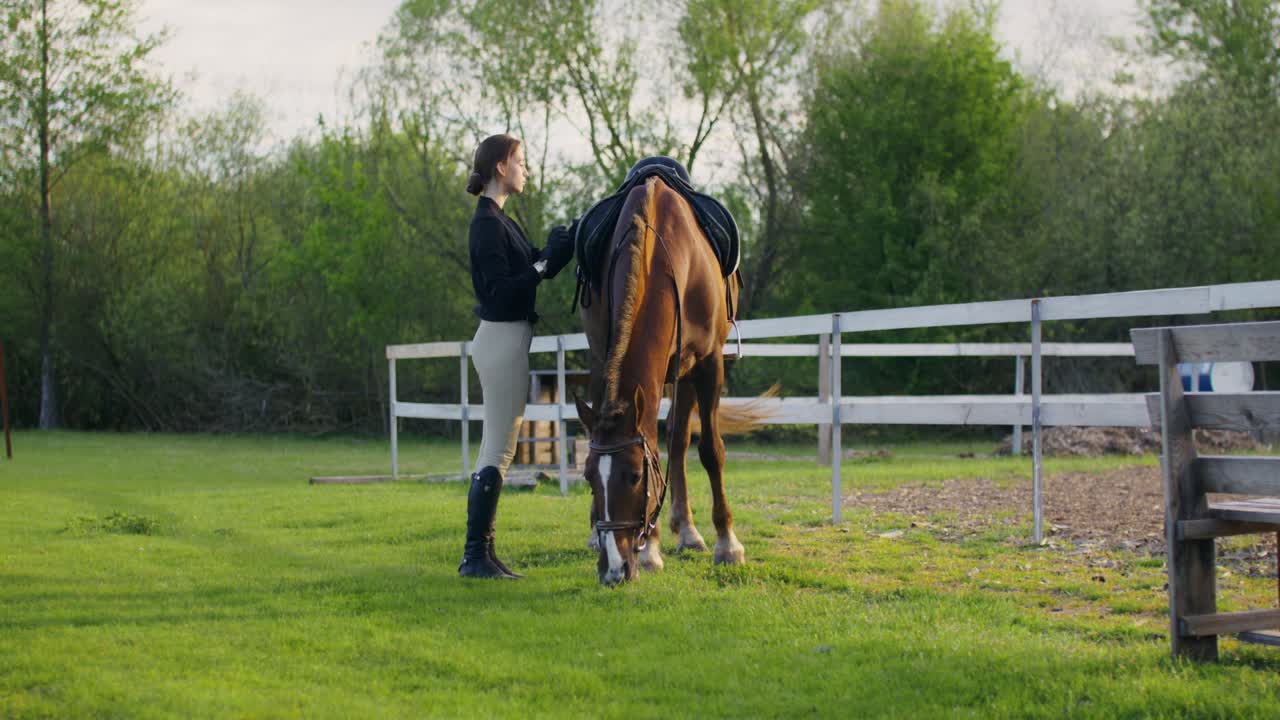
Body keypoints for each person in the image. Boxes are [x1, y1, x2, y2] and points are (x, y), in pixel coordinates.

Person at [459, 133, 573, 579]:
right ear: (501, 168)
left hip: (507, 340)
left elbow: (532, 267)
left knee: (498, 449)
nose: (525, 168)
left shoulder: (500, 219)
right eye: (520, 161)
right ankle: (475, 556)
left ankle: (482, 555)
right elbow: (503, 288)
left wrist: (560, 250)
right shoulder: (486, 223)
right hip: (502, 341)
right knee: (498, 450)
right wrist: (543, 266)